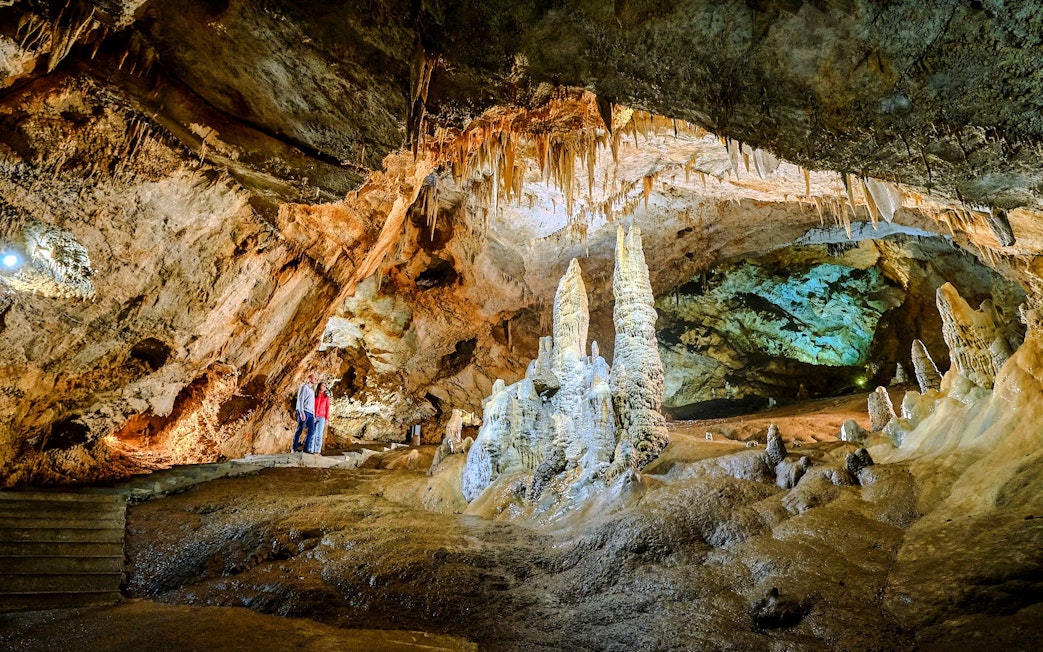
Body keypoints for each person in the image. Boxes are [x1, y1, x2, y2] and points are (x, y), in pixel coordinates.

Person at [291, 373, 316, 453]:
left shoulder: (312, 390)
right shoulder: (304, 387)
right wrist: (301, 412)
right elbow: (300, 400)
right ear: (309, 378)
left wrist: (314, 415)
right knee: (300, 429)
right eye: (314, 378)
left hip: (311, 413)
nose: (316, 379)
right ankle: (294, 448)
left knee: (312, 430)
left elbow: (312, 404)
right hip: (304, 410)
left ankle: (306, 448)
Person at [310, 382, 330, 454]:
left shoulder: (326, 397)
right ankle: (311, 450)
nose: (324, 387)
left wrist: (326, 418)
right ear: (319, 386)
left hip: (321, 417)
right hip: (313, 417)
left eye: (325, 386)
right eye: (322, 386)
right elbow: (312, 406)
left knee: (319, 435)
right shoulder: (314, 396)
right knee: (312, 434)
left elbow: (327, 408)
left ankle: (317, 451)